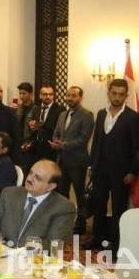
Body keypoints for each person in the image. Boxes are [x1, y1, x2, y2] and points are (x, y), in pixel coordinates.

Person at [85, 79, 138, 251]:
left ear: (126, 96)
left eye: (121, 94)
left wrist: (132, 172)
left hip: (121, 173)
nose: (117, 97)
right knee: (99, 205)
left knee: (118, 208)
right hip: (100, 169)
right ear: (108, 93)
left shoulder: (132, 117)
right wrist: (91, 166)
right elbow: (96, 142)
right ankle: (98, 238)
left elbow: (137, 148)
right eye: (114, 93)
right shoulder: (101, 113)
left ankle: (116, 245)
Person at [0, 160, 76, 248]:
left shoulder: (63, 208)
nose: (29, 179)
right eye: (30, 173)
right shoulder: (9, 194)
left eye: (38, 178)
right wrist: (3, 244)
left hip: (33, 257)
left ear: (50, 186)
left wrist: (20, 251)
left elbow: (54, 243)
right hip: (1, 251)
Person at [49, 86, 94, 234]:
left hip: (78, 161)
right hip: (61, 160)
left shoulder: (87, 115)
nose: (70, 98)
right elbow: (56, 133)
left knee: (80, 195)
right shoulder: (62, 114)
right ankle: (64, 221)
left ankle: (81, 224)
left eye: (73, 95)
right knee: (62, 193)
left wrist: (64, 145)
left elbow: (83, 138)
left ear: (80, 97)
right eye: (68, 95)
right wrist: (55, 142)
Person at [24, 85, 63, 165]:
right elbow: (33, 127)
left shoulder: (60, 110)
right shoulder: (36, 108)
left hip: (50, 148)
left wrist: (41, 125)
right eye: (45, 94)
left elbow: (59, 129)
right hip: (35, 148)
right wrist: (31, 127)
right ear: (40, 95)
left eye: (50, 94)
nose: (48, 96)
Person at [15, 82, 37, 174]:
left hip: (28, 144)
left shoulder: (36, 109)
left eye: (24, 93)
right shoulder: (18, 108)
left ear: (30, 94)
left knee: (26, 169)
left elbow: (36, 130)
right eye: (20, 93)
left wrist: (30, 142)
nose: (21, 96)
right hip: (17, 142)